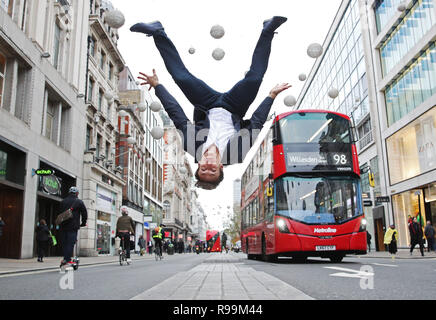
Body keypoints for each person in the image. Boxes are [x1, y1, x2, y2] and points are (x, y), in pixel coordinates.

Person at [131, 17, 291, 190]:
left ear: (198, 164)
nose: (208, 164)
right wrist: (271, 96)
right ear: (221, 167)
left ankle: (158, 32)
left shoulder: (192, 144)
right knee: (254, 78)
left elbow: (176, 114)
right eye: (212, 169)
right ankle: (267, 32)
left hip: (206, 103)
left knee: (181, 77)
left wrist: (158, 87)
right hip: (234, 106)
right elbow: (256, 124)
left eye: (203, 168)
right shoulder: (237, 153)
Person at [58, 186, 87, 268]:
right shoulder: (79, 202)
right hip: (73, 226)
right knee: (70, 244)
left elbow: (60, 213)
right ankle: (66, 260)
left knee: (64, 243)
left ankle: (65, 259)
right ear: (77, 193)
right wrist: (83, 223)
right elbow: (84, 213)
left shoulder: (63, 201)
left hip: (63, 226)